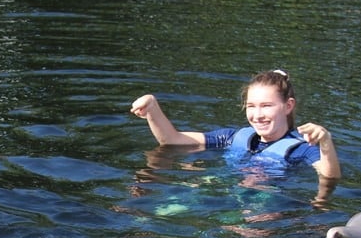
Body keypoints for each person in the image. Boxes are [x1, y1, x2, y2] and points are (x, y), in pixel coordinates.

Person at [129, 69, 341, 182]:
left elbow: (330, 175)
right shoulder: (232, 137)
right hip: (223, 193)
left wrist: (326, 143)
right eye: (251, 106)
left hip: (268, 207)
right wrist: (152, 109)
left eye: (266, 106)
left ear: (288, 106)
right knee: (161, 211)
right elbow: (172, 141)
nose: (257, 115)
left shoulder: (301, 149)